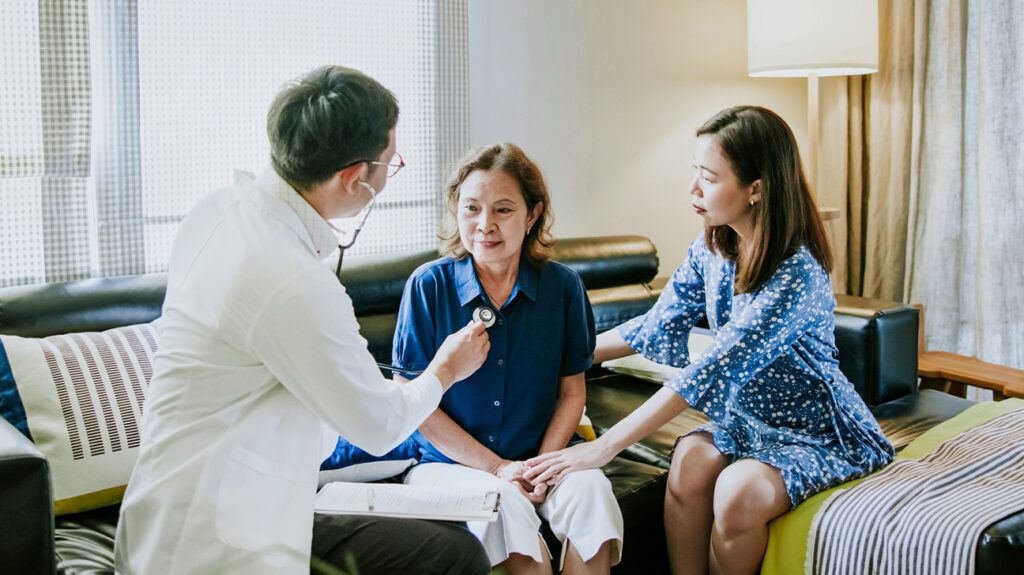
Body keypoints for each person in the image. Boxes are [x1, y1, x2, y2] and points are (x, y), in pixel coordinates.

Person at [114, 66, 492, 575]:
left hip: (176, 508)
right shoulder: (290, 279)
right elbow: (378, 426)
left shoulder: (219, 210)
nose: (389, 172)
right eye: (390, 163)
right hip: (217, 542)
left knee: (453, 550)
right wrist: (445, 369)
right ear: (354, 178)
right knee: (456, 557)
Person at [524, 106, 895, 575]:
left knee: (738, 491)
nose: (694, 189)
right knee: (690, 458)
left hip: (816, 433)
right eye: (695, 172)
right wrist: (553, 359)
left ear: (756, 188)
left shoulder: (797, 273)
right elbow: (655, 326)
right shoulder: (713, 246)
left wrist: (604, 447)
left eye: (709, 177)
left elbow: (708, 371)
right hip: (746, 420)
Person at [390, 143, 624, 575]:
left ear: (532, 215)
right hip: (452, 464)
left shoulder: (563, 287)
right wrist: (499, 469)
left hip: (544, 455)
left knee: (592, 495)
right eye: (472, 208)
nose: (485, 225)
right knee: (504, 508)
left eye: (502, 210)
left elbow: (572, 391)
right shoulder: (428, 287)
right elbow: (415, 406)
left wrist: (542, 465)